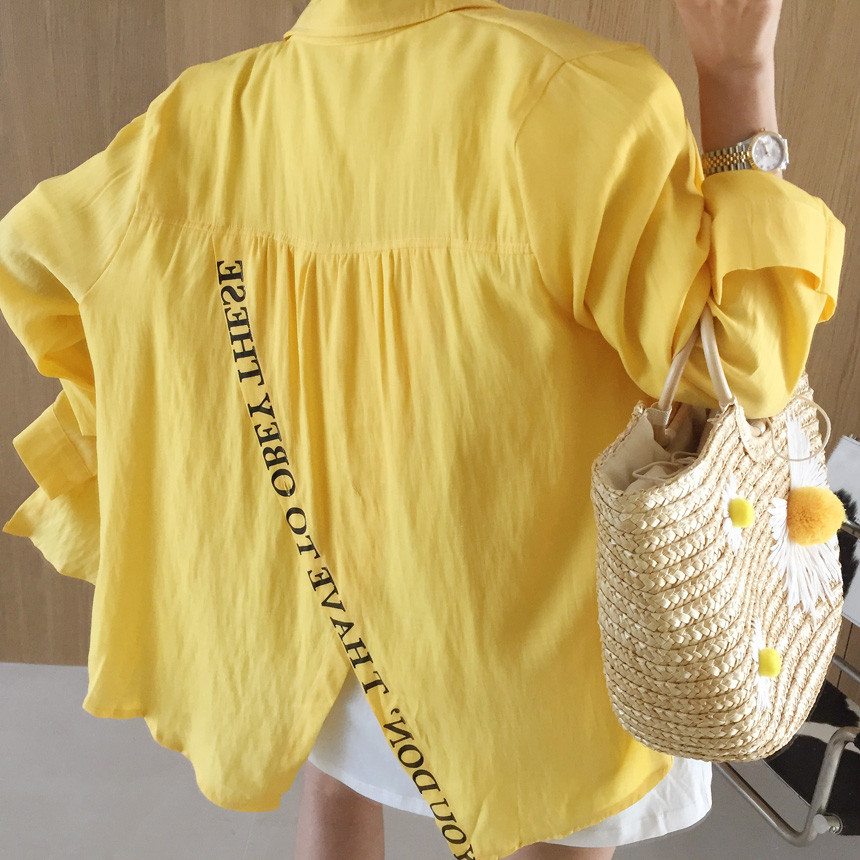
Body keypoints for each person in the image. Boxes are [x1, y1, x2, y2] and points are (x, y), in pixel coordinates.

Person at [0, 1, 844, 859]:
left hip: (316, 632)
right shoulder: (575, 103)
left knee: (337, 784)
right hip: (527, 661)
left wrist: (154, 422)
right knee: (549, 822)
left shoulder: (196, 121)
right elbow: (747, 367)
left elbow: (38, 269)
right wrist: (737, 79)